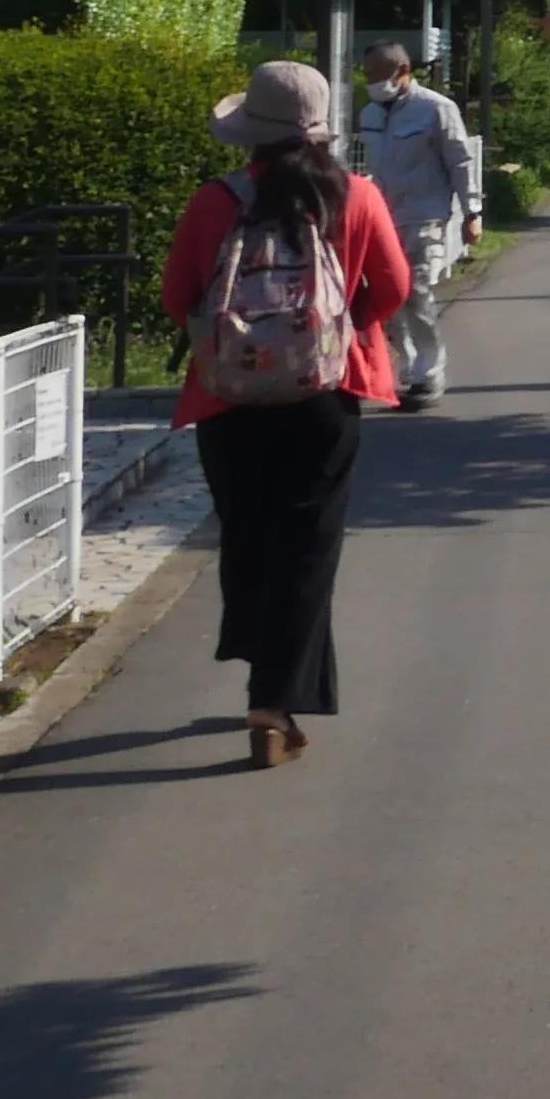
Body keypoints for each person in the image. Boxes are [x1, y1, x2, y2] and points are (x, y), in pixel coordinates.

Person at [161, 61, 413, 768]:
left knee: (248, 535)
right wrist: (343, 329)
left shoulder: (215, 202)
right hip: (325, 395)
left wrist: (234, 344)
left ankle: (262, 670)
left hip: (228, 398)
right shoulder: (355, 196)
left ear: (253, 135)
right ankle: (273, 703)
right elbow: (393, 285)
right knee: (309, 544)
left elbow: (177, 292)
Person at [347, 41, 482, 403]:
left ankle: (429, 372)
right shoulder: (370, 115)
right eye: (367, 74)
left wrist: (472, 213)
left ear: (403, 72)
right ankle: (405, 367)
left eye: (378, 74)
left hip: (425, 214)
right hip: (382, 217)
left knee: (416, 291)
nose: (371, 82)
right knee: (387, 295)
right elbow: (363, 165)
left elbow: (461, 161)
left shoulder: (436, 109)